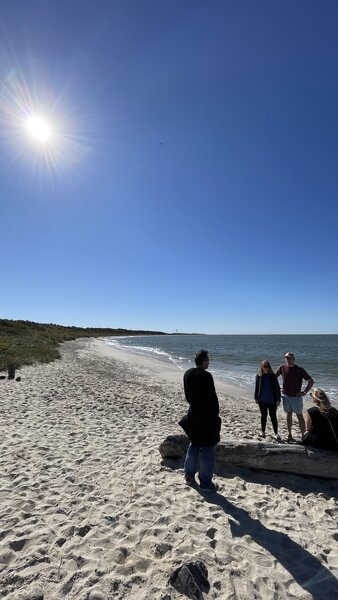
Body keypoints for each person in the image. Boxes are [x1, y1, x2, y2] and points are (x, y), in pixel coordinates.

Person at [180, 349, 221, 493]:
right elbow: (212, 398)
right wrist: (215, 414)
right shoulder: (206, 376)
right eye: (208, 360)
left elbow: (187, 396)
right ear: (203, 361)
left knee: (195, 444)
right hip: (206, 416)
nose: (209, 362)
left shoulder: (187, 373)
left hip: (193, 413)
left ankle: (189, 476)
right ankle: (205, 483)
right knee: (208, 449)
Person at [276, 352, 314, 442]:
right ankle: (289, 435)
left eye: (289, 358)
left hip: (296, 397)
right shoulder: (282, 368)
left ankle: (303, 436)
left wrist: (304, 392)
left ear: (294, 359)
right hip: (285, 396)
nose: (288, 359)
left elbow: (311, 381)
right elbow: (273, 378)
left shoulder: (299, 369)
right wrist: (279, 388)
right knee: (288, 414)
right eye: (286, 357)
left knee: (299, 415)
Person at [254, 360, 281, 441]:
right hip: (262, 400)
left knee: (273, 417)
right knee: (263, 416)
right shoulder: (259, 376)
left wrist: (278, 399)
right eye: (264, 366)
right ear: (262, 367)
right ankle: (263, 432)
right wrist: (256, 397)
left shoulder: (273, 376)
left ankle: (276, 433)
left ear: (270, 367)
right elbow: (257, 387)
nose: (266, 368)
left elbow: (277, 388)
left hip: (272, 400)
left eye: (267, 366)